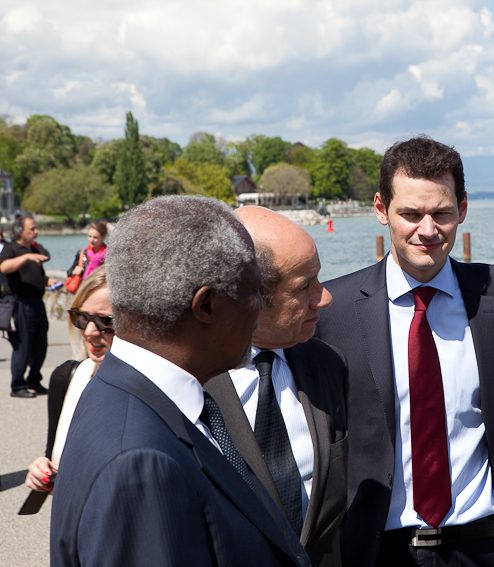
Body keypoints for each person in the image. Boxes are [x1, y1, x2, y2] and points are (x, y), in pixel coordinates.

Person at [314, 136, 494, 567]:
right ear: (380, 208)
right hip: (373, 552)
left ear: (462, 208)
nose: (427, 230)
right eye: (410, 213)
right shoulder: (334, 310)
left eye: (441, 213)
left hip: (480, 545)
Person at [50, 195, 308, 567]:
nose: (260, 308)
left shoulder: (120, 392)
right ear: (206, 306)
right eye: (254, 291)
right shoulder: (141, 465)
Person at [205, 206, 347, 567]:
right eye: (305, 286)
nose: (324, 297)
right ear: (248, 294)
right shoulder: (191, 381)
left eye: (319, 279)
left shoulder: (327, 365)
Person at [24, 266, 113, 502]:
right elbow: (53, 456)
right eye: (82, 318)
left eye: (106, 321)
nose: (91, 332)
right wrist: (43, 470)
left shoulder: (152, 391)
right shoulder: (67, 377)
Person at [0, 215, 59, 397]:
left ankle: (34, 380)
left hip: (36, 302)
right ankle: (17, 386)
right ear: (20, 231)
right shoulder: (12, 248)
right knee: (22, 346)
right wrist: (26, 257)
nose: (36, 232)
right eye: (31, 229)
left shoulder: (34, 249)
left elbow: (39, 277)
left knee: (40, 344)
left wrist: (50, 281)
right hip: (19, 303)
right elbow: (4, 267)